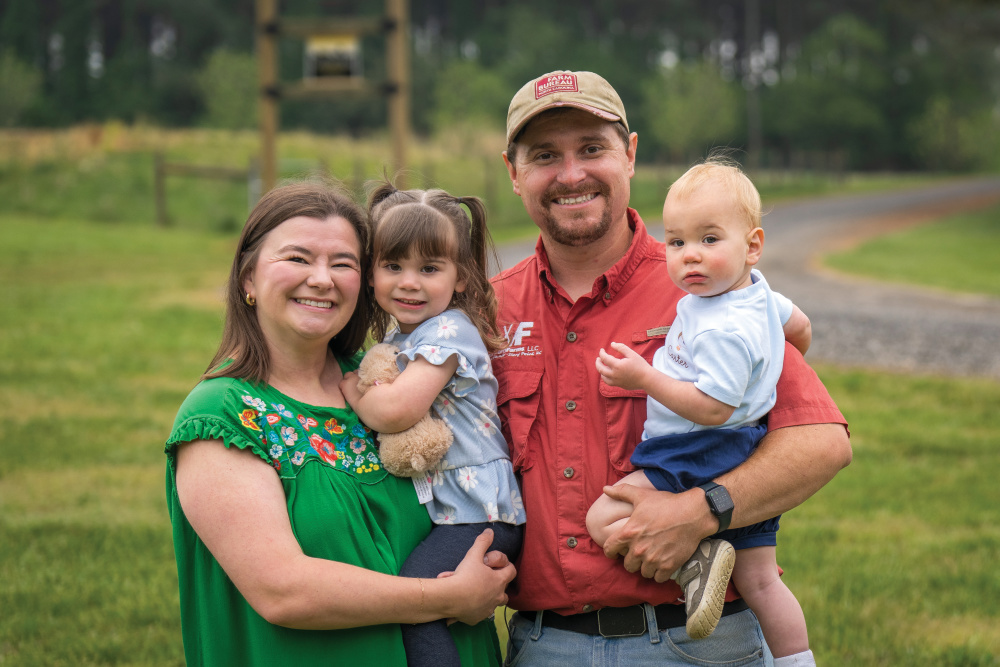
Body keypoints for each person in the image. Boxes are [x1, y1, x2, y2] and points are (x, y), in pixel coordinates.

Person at [492, 69, 851, 666]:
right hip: (540, 644)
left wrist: (699, 511)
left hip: (695, 643)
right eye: (545, 155)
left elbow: (820, 443)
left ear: (629, 155)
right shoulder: (488, 310)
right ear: (512, 172)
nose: (571, 173)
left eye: (592, 148)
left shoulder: (709, 289)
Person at [164, 180, 515, 667]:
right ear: (248, 279)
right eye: (298, 258)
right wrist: (445, 599)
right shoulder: (222, 415)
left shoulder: (380, 379)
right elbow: (283, 591)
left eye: (343, 263)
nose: (322, 279)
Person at [586, 155, 814, 659]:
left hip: (697, 449)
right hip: (747, 450)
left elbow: (712, 407)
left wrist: (643, 376)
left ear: (753, 245)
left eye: (709, 240)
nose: (690, 255)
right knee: (761, 582)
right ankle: (798, 660)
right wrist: (769, 363)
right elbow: (800, 329)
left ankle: (697, 558)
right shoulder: (759, 296)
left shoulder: (718, 328)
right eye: (676, 241)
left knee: (604, 518)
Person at [340, 182, 525, 667]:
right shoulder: (410, 333)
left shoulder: (449, 332)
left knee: (417, 601)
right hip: (461, 512)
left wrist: (353, 390)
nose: (409, 282)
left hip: (479, 513)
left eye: (429, 268)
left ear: (460, 277)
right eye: (392, 266)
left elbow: (397, 410)